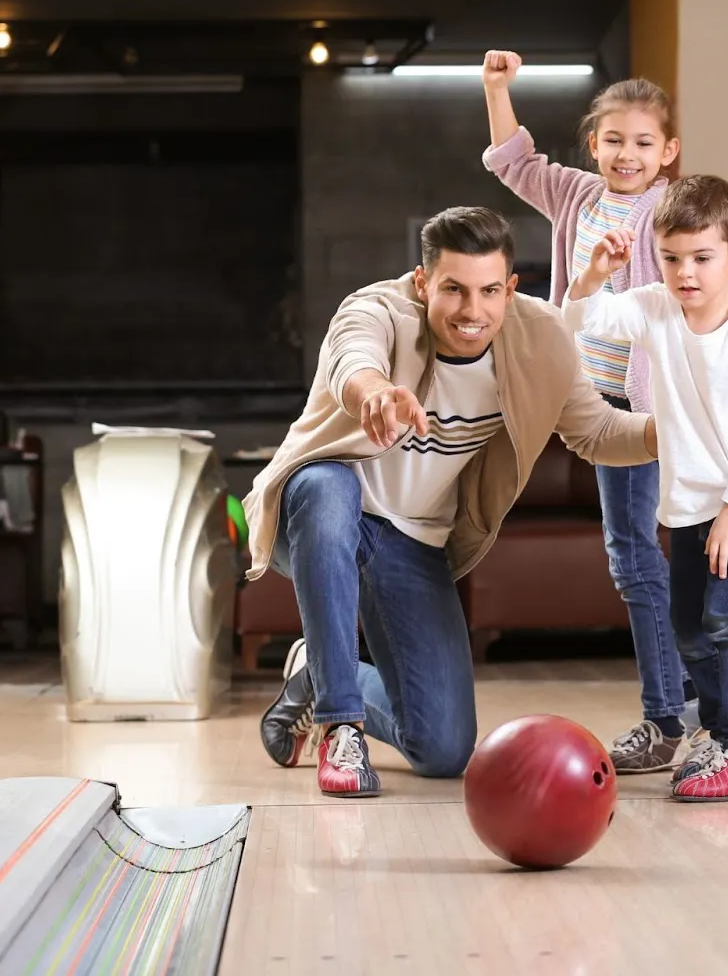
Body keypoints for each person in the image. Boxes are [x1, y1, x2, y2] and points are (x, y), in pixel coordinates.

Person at [480, 50, 728, 776]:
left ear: (667, 151)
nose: (626, 155)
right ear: (593, 146)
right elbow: (515, 164)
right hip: (592, 398)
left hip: (653, 407)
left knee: (663, 571)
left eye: (643, 142)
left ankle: (680, 719)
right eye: (613, 141)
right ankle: (687, 716)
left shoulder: (671, 214)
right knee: (638, 562)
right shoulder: (576, 197)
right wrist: (496, 88)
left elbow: (715, 282)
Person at [243, 206, 658, 799]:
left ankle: (322, 671)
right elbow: (350, 359)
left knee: (442, 747)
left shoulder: (542, 339)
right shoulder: (377, 308)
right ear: (422, 282)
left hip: (411, 542)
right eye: (454, 290)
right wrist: (377, 393)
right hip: (318, 514)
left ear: (510, 288)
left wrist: (664, 433)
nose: (472, 311)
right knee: (326, 484)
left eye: (490, 291)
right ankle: (341, 725)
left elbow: (594, 432)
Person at [562, 175, 728, 802]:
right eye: (670, 258)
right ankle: (718, 734)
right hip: (688, 503)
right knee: (687, 626)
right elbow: (582, 322)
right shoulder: (655, 308)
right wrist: (592, 274)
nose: (685, 273)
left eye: (702, 258)